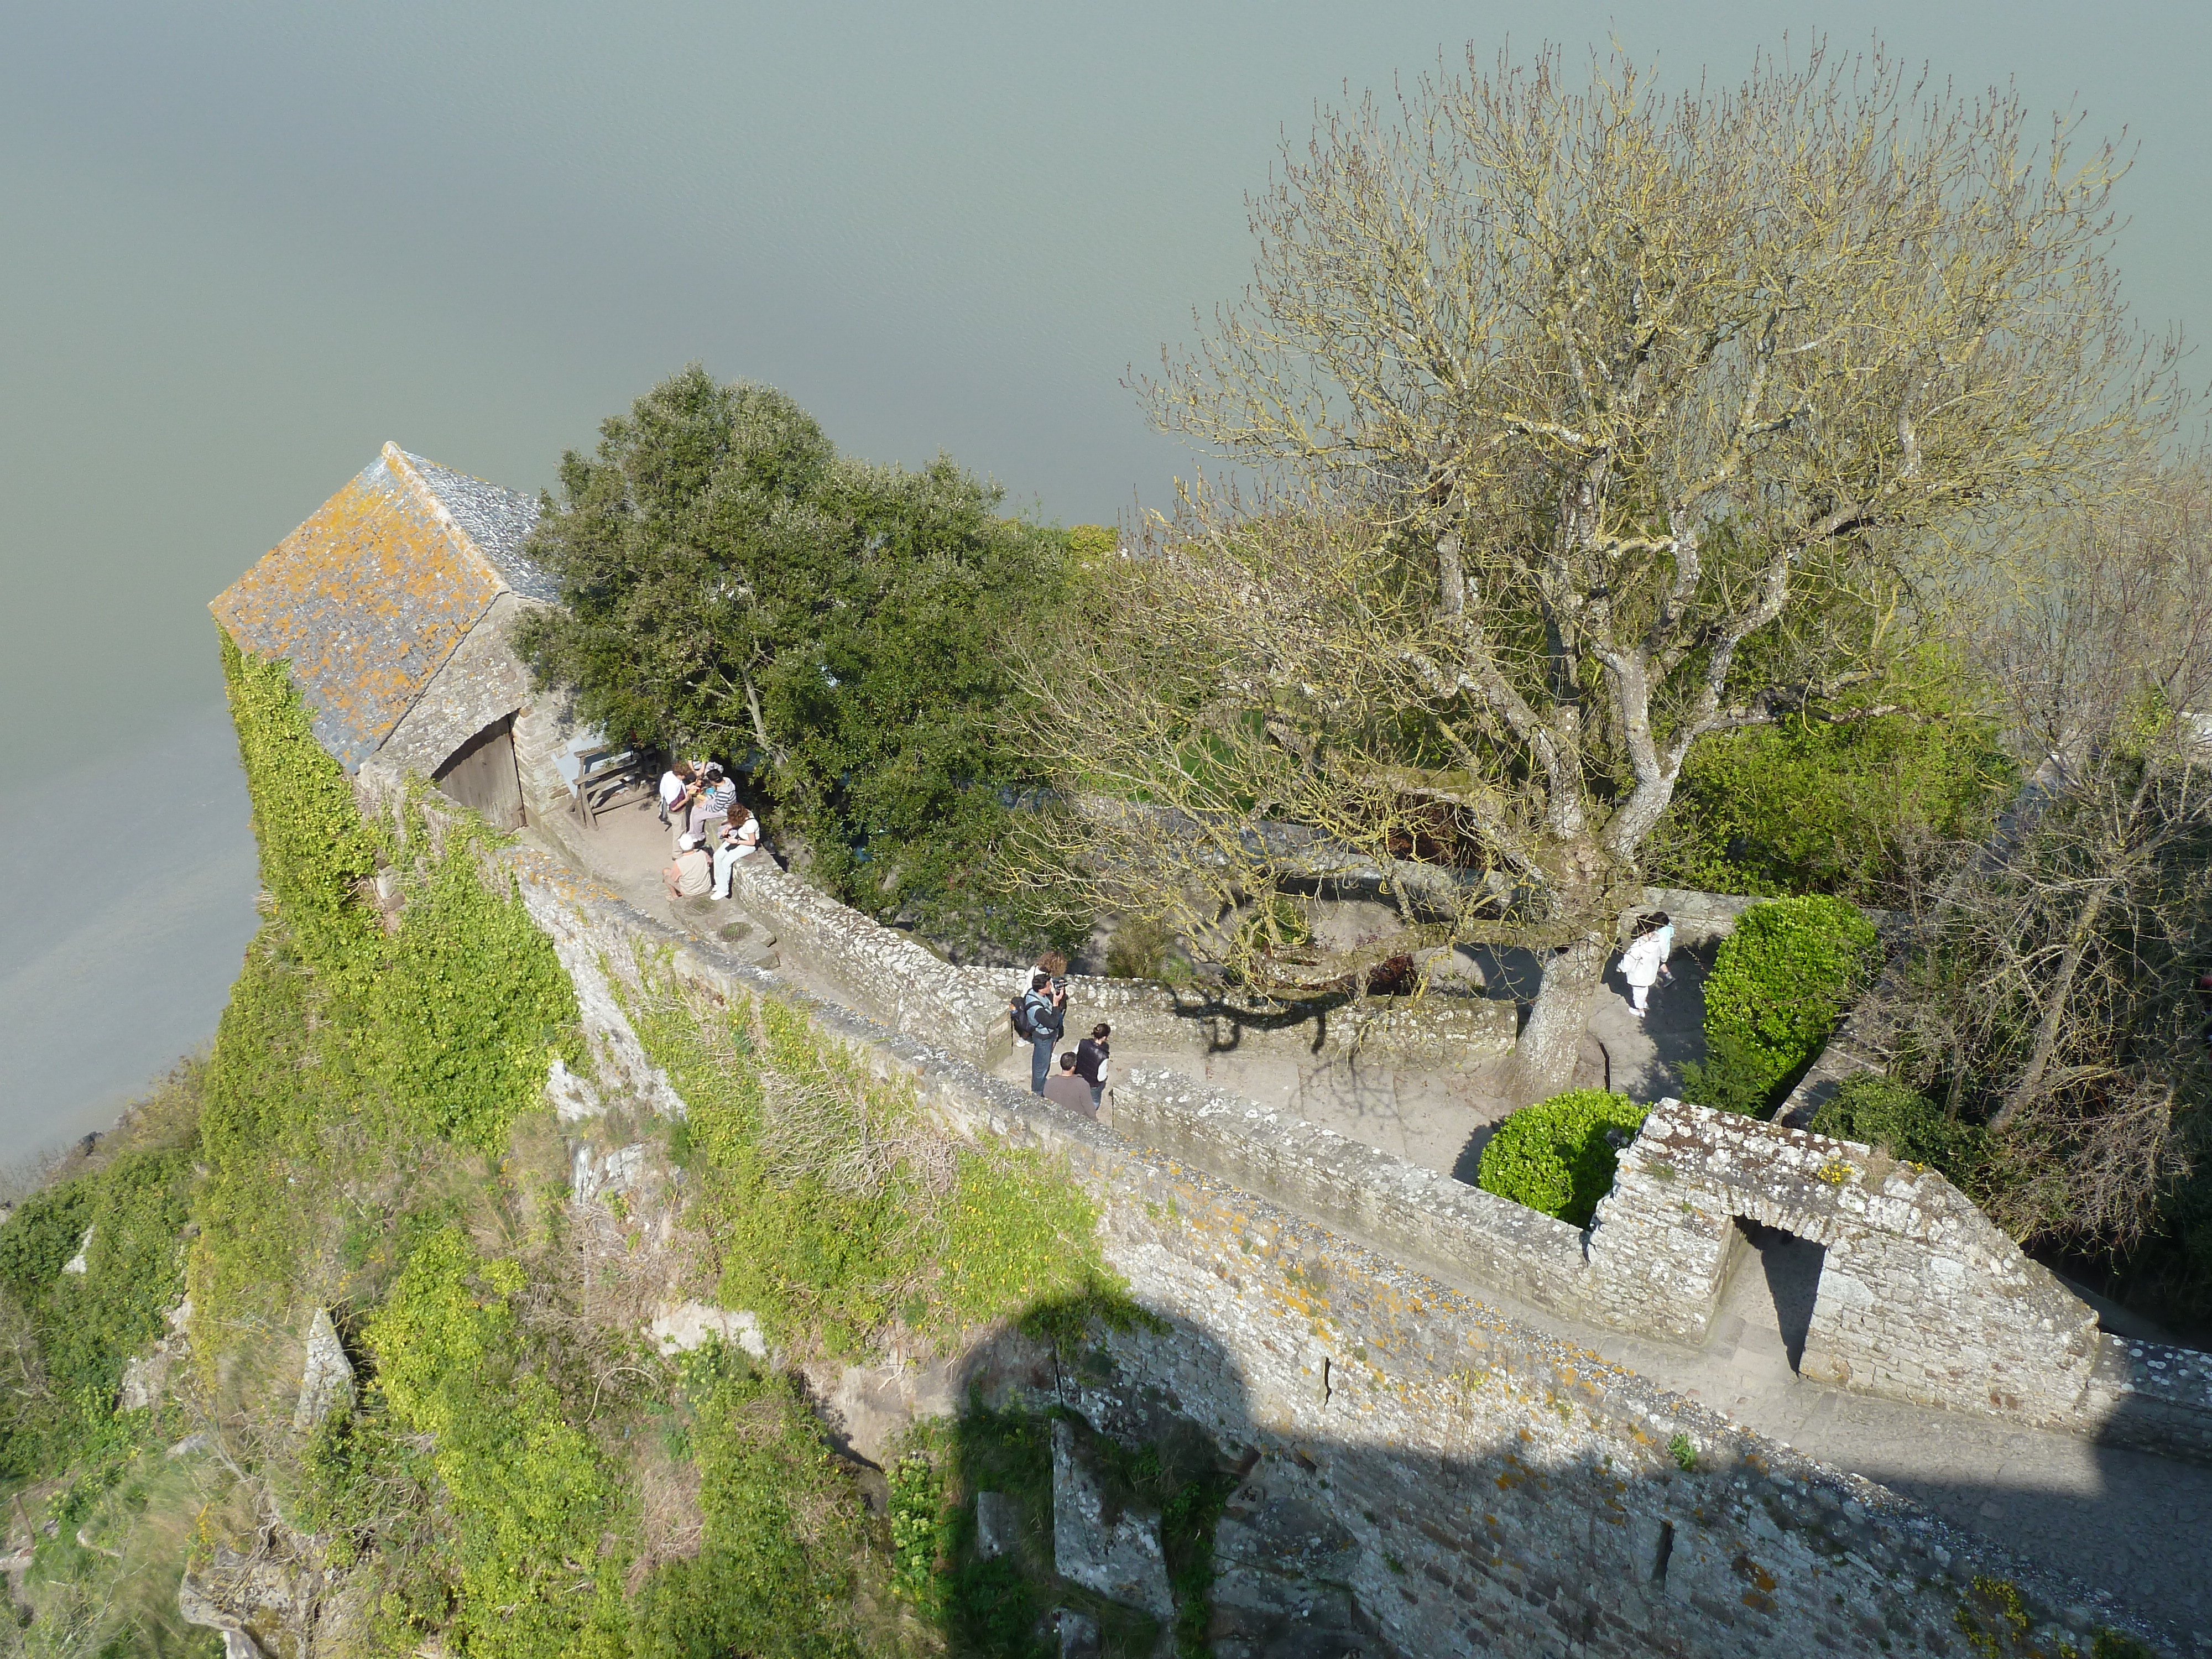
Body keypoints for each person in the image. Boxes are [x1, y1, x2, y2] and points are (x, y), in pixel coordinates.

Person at [1014, 972, 1067, 1095]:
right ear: (1042, 989)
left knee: (1042, 1061)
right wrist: (1055, 1004)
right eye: (1049, 986)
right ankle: (1038, 1091)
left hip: (1045, 1036)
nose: (1051, 988)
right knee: (1040, 1067)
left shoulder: (1033, 993)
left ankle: (1041, 1085)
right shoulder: (1037, 1010)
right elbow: (1052, 1023)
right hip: (1043, 1038)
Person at [1619, 913, 1672, 1020]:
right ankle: (1644, 1003)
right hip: (1651, 971)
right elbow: (1664, 953)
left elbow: (1627, 961)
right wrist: (1663, 960)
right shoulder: (1660, 939)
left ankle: (1640, 1011)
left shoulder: (1637, 947)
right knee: (1644, 989)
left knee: (1638, 992)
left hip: (1638, 974)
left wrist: (1620, 968)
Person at [711, 805, 761, 899]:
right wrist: (729, 828)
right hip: (740, 837)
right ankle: (719, 883)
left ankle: (723, 890)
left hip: (748, 845)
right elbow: (738, 823)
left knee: (727, 861)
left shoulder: (751, 824)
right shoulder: (744, 814)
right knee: (718, 856)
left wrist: (736, 842)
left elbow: (752, 842)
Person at [1043, 1051, 1095, 1116]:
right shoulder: (1082, 1085)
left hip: (1056, 1116)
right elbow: (1089, 1108)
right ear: (1073, 1067)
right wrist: (1094, 1120)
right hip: (1076, 1119)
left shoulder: (1050, 1082)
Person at [1074, 1022, 1111, 1113]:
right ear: (1105, 1037)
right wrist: (1106, 1072)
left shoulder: (1082, 1043)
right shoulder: (1103, 1056)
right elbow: (1101, 1077)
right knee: (1094, 1101)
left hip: (1079, 1077)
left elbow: (1073, 1055)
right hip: (1092, 1084)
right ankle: (1088, 1113)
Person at [664, 833, 712, 900]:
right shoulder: (703, 854)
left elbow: (674, 879)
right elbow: (710, 862)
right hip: (706, 889)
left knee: (666, 873)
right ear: (693, 845)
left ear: (681, 847)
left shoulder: (679, 862)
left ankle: (675, 896)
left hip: (690, 894)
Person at [696, 764, 737, 841]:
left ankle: (699, 837)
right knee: (696, 808)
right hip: (725, 804)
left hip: (724, 811)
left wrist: (704, 806)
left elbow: (716, 808)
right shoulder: (727, 780)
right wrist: (707, 799)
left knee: (697, 817)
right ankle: (693, 833)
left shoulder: (724, 793)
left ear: (713, 782)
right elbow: (717, 793)